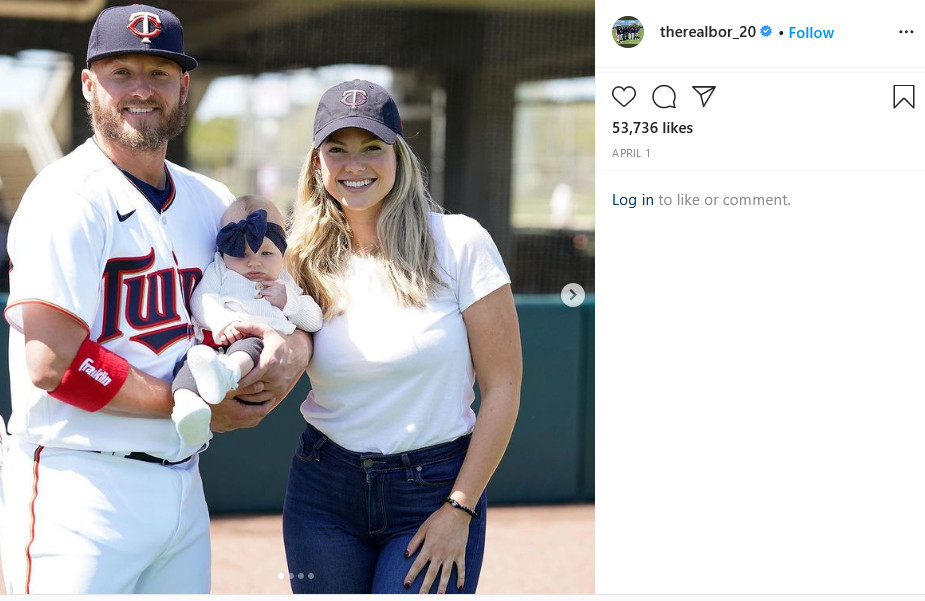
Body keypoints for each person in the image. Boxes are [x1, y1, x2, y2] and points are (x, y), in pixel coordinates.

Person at [0, 5, 310, 594]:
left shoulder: (210, 199)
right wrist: (186, 401)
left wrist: (290, 351)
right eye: (122, 71)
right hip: (79, 491)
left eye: (159, 73)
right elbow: (53, 362)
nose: (142, 90)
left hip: (184, 484)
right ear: (90, 84)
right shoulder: (64, 197)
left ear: (184, 86)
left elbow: (277, 296)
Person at [282, 79, 522, 594]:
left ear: (399, 156)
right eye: (337, 150)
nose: (355, 165)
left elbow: (502, 387)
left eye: (372, 147)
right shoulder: (297, 260)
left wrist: (460, 507)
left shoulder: (459, 242)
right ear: (317, 164)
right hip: (323, 491)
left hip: (434, 490)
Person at [172, 196, 323, 446]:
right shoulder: (220, 270)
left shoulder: (284, 282)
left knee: (250, 344)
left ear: (282, 254)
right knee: (189, 365)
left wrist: (289, 303)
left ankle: (228, 372)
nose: (254, 262)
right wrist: (221, 322)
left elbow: (315, 321)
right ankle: (188, 408)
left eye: (266, 253)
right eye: (241, 254)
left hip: (258, 346)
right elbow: (202, 298)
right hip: (216, 340)